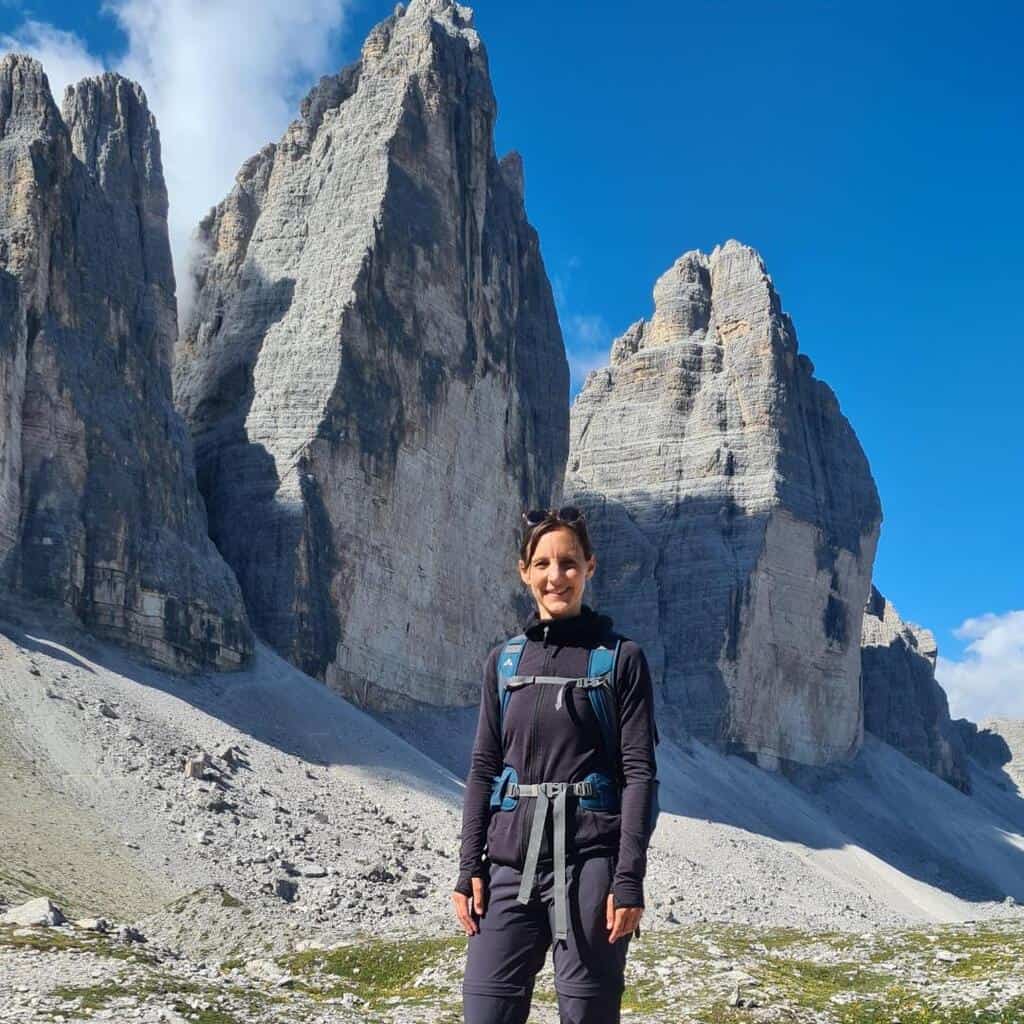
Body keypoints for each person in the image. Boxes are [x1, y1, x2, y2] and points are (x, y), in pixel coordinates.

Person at [452, 505, 659, 1024]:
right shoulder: (504, 662)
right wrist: (467, 868)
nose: (555, 576)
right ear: (524, 572)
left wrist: (627, 879)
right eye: (542, 564)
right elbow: (483, 767)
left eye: (568, 563)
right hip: (508, 865)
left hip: (591, 865)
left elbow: (639, 775)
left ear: (590, 567)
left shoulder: (621, 658)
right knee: (484, 1012)